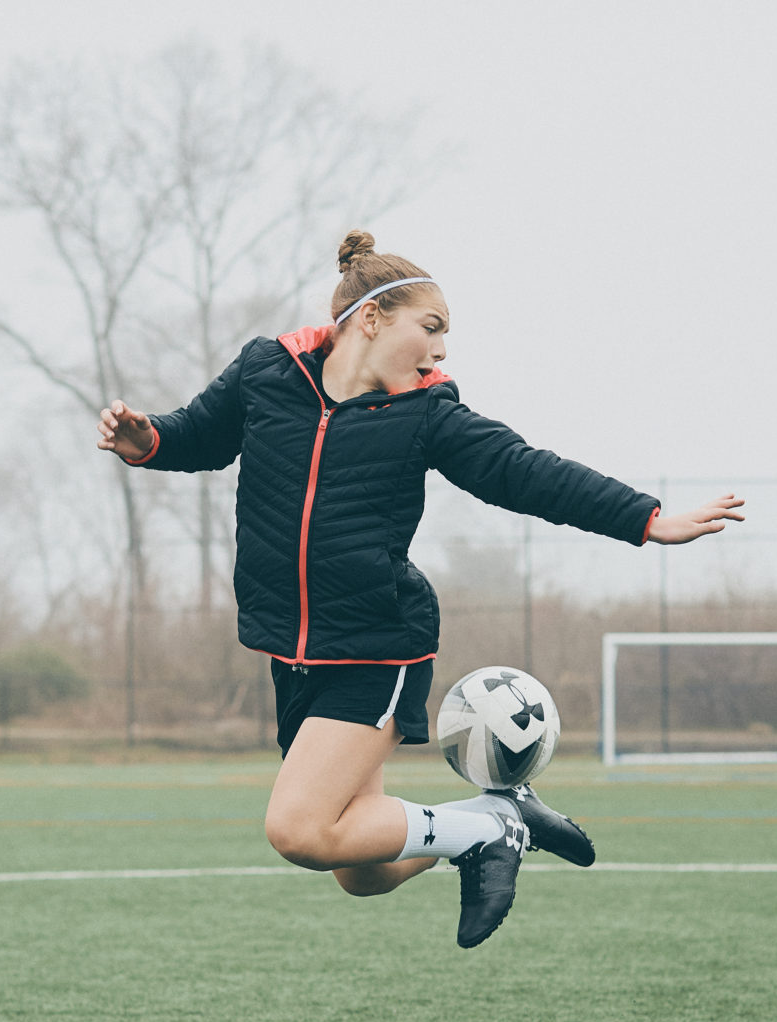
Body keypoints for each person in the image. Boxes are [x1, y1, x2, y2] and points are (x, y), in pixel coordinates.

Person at [97, 230, 743, 947]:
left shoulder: (428, 415)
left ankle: (490, 829)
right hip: (294, 652)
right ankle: (502, 815)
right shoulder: (265, 372)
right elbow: (200, 435)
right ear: (370, 319)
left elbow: (524, 471)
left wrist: (644, 517)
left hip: (377, 645)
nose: (441, 350)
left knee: (299, 829)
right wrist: (146, 439)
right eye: (430, 329)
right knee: (361, 869)